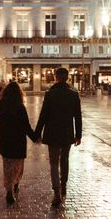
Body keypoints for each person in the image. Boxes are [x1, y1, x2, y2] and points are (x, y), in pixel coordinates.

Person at [35, 67, 82, 207]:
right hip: (67, 133)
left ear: (56, 77)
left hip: (53, 133)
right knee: (65, 160)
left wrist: (37, 133)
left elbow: (43, 115)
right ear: (67, 78)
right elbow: (78, 117)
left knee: (54, 163)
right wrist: (78, 135)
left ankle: (56, 193)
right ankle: (64, 186)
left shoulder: (50, 94)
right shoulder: (74, 94)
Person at [0, 81, 39, 205]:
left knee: (7, 167)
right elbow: (26, 126)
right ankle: (15, 185)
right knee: (18, 166)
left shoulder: (0, 105)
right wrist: (35, 138)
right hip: (18, 140)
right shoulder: (20, 107)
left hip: (5, 139)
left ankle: (9, 190)